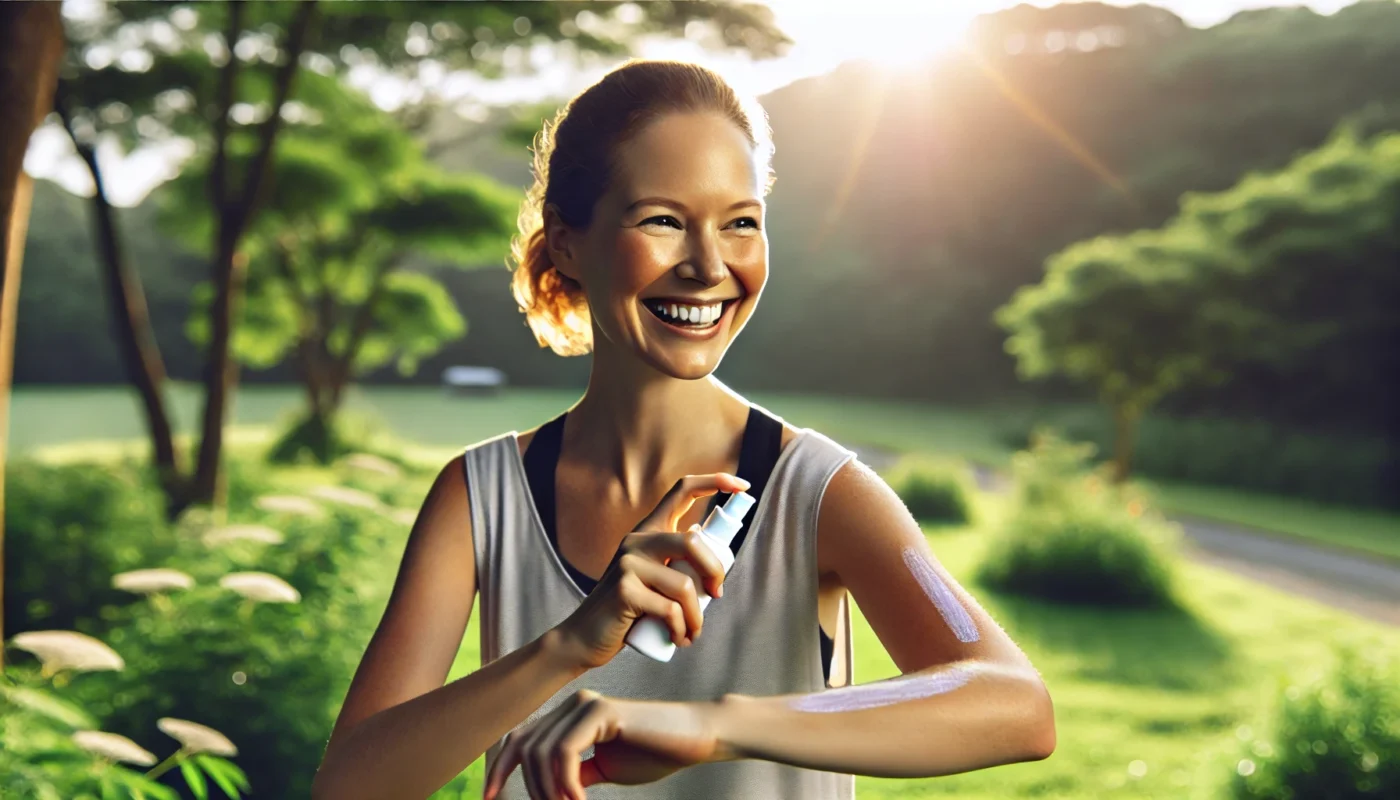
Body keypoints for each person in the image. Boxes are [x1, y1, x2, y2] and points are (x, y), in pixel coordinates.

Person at [312, 60, 1055, 800]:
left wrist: (715, 726)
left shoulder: (821, 491)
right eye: (662, 220)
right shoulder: (480, 498)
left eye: (740, 223)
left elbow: (1015, 704)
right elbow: (349, 788)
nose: (708, 265)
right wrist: (567, 647)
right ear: (568, 243)